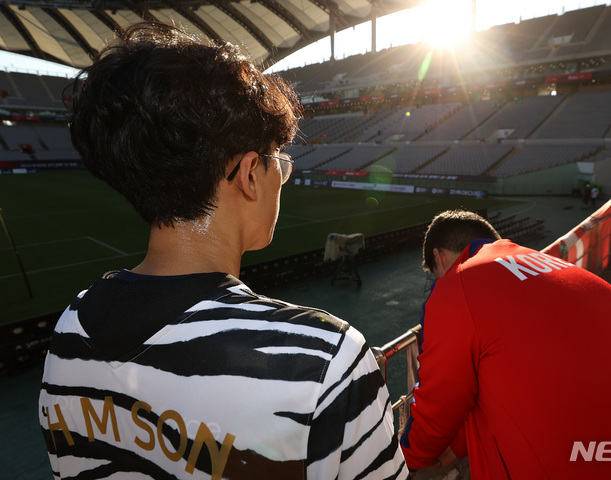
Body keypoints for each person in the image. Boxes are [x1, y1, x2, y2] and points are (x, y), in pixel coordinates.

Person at [38, 23, 407, 480]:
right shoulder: (324, 361)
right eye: (280, 162)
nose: (282, 179)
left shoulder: (70, 331)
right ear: (250, 174)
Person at [400, 210, 611, 479]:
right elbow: (532, 371)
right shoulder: (554, 266)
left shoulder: (459, 284)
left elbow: (439, 400)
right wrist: (458, 446)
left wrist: (406, 460)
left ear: (439, 257)